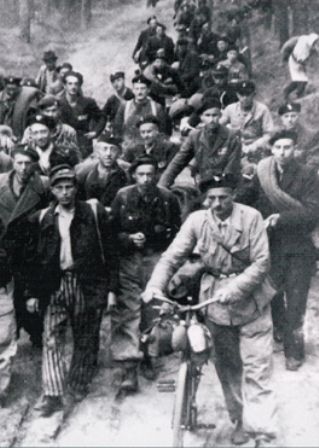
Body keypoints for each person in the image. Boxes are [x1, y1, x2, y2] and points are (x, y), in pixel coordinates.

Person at [143, 173, 278, 448]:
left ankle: (263, 431)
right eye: (211, 198)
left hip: (253, 303)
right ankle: (240, 419)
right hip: (215, 303)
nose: (216, 204)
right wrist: (155, 285)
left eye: (223, 198)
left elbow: (262, 262)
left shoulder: (251, 217)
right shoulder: (197, 221)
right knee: (228, 368)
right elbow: (172, 257)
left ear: (234, 196)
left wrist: (236, 287)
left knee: (258, 368)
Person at [25, 164, 118, 417]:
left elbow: (110, 253)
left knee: (85, 336)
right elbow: (34, 259)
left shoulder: (93, 213)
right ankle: (52, 394)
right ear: (52, 191)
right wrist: (32, 293)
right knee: (51, 337)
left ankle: (78, 384)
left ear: (76, 189)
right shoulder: (43, 218)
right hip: (54, 285)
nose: (65, 193)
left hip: (86, 283)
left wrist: (111, 289)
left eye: (69, 187)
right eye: (59, 188)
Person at [237, 130, 319, 372]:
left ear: (295, 150)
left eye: (288, 147)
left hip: (298, 248)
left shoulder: (308, 175)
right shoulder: (262, 173)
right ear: (271, 149)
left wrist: (280, 218)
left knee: (296, 300)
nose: (283, 152)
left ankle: (294, 350)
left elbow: (313, 213)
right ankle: (280, 331)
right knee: (272, 295)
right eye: (278, 148)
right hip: (269, 246)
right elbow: (245, 198)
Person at [111, 155, 181, 391]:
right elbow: (112, 231)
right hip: (129, 260)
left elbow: (177, 234)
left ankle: (149, 356)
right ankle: (129, 367)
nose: (145, 179)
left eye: (150, 174)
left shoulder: (167, 199)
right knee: (128, 312)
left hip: (156, 260)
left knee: (152, 311)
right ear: (133, 175)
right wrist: (129, 239)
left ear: (156, 175)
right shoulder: (123, 196)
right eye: (141, 174)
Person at [0, 145, 50, 348]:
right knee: (8, 296)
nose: (23, 168)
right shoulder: (1, 183)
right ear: (12, 161)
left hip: (32, 248)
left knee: (31, 294)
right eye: (19, 162)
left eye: (28, 163)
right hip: (5, 247)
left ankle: (36, 332)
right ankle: (11, 334)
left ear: (34, 164)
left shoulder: (43, 186)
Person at [159, 97, 242, 188]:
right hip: (203, 183)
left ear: (220, 115)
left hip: (227, 185)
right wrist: (162, 185)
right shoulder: (195, 136)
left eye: (215, 115)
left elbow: (231, 170)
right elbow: (177, 162)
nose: (211, 119)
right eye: (207, 115)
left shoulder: (232, 136)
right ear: (201, 117)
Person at [220, 80, 274, 167]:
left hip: (256, 147)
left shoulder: (262, 110)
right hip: (235, 146)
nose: (244, 98)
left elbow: (268, 134)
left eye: (248, 94)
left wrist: (254, 146)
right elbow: (219, 126)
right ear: (237, 94)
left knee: (259, 169)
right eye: (241, 94)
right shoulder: (230, 109)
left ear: (254, 94)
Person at [113, 73, 171, 146]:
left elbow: (164, 132)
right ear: (133, 90)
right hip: (129, 149)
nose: (139, 92)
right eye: (137, 89)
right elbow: (117, 130)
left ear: (148, 90)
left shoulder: (157, 108)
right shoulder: (125, 106)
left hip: (150, 150)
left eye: (142, 88)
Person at [59, 71, 105, 158]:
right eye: (70, 84)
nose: (73, 87)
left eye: (76, 84)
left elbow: (102, 117)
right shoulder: (58, 103)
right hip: (64, 144)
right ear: (64, 86)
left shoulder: (87, 102)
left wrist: (95, 132)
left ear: (79, 86)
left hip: (84, 144)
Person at [77, 134, 128, 209]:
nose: (108, 154)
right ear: (97, 153)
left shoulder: (125, 173)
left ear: (118, 154)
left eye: (113, 149)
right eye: (104, 149)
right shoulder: (84, 172)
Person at [23, 95, 81, 160]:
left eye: (54, 111)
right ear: (41, 112)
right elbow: (24, 153)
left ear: (59, 111)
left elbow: (76, 157)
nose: (50, 114)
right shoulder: (30, 131)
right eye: (47, 111)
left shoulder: (68, 131)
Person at [277, 102, 319, 169]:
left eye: (293, 116)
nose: (290, 120)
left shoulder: (311, 135)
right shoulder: (276, 137)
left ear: (299, 117)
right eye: (286, 116)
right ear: (281, 119)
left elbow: (314, 160)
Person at [282, 33, 319, 101]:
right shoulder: (303, 47)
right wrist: (303, 66)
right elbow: (300, 58)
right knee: (303, 80)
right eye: (315, 42)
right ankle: (299, 95)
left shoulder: (305, 40)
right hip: (295, 62)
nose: (316, 43)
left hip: (297, 61)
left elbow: (315, 49)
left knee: (299, 80)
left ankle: (287, 91)